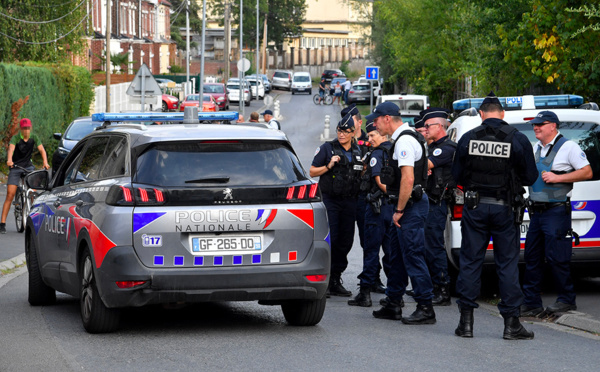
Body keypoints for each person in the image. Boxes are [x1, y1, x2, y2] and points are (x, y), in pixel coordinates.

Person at [451, 92, 538, 340]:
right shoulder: (517, 139)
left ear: (481, 114)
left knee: (470, 263)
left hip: (475, 209)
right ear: (502, 114)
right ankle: (511, 325)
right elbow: (530, 177)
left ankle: (465, 323)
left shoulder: (468, 138)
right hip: (505, 209)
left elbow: (456, 177)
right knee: (507, 265)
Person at [367, 102, 435, 324]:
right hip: (407, 203)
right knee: (396, 257)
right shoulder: (405, 137)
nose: (375, 125)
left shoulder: (404, 140)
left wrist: (399, 210)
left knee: (413, 255)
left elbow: (408, 179)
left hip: (409, 206)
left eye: (376, 120)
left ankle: (426, 307)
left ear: (388, 118)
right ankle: (393, 303)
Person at [520, 111, 593, 317]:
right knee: (532, 257)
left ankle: (566, 300)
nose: (536, 128)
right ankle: (532, 302)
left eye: (540, 124)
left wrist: (559, 178)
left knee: (557, 257)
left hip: (556, 210)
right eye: (534, 125)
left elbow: (587, 172)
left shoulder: (568, 147)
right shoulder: (535, 148)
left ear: (552, 125)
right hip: (536, 211)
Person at [310, 114, 363, 297]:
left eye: (345, 131)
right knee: (331, 240)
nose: (341, 134)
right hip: (331, 200)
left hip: (350, 201)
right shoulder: (327, 149)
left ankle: (335, 279)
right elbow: (312, 171)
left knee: (345, 242)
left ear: (353, 132)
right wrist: (329, 166)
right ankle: (324, 281)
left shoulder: (358, 151)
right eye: (339, 131)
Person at [349, 120, 394, 307]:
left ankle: (365, 293)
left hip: (377, 208)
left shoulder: (376, 153)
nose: (369, 139)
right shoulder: (394, 150)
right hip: (392, 208)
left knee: (371, 251)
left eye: (373, 135)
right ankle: (393, 294)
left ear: (383, 135)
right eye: (368, 136)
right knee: (391, 253)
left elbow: (378, 179)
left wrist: (389, 193)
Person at [421, 108, 457, 306]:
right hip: (429, 203)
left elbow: (424, 165)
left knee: (434, 246)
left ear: (440, 127)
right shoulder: (433, 146)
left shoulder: (446, 148)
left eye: (428, 126)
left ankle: (442, 289)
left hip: (437, 203)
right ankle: (433, 287)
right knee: (428, 246)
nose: (425, 130)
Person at [1, 118, 50, 234]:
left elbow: (42, 150)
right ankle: (2, 223)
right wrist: (9, 160)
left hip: (28, 167)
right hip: (15, 167)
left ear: (30, 128)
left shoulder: (34, 137)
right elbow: (11, 149)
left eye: (28, 128)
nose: (26, 131)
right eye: (24, 128)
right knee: (10, 194)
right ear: (21, 129)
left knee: (33, 191)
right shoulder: (16, 138)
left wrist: (45, 162)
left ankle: (34, 219)